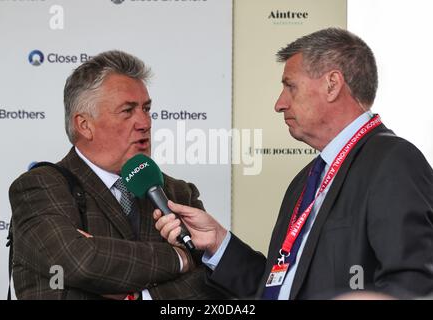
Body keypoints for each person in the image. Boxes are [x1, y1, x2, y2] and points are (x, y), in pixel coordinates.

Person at [154, 28, 433, 300]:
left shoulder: (392, 161)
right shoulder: (306, 180)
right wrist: (218, 241)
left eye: (290, 86)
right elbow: (275, 287)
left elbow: (415, 284)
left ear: (332, 84)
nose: (279, 103)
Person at [8, 50, 225, 300]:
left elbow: (208, 288)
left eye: (146, 108)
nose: (145, 122)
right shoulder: (40, 187)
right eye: (127, 111)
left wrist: (133, 295)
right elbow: (81, 263)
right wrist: (181, 258)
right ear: (84, 125)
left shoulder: (176, 192)